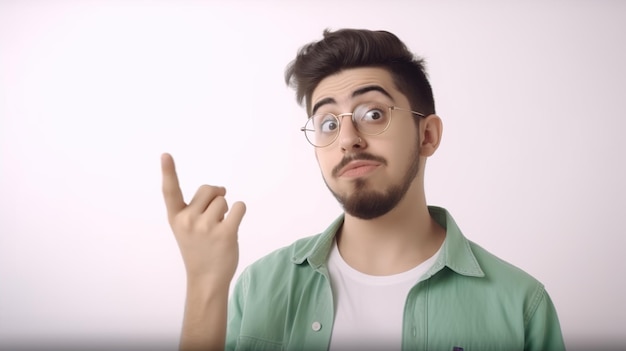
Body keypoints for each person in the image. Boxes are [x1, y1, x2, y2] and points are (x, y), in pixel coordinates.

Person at [161, 28, 565, 351]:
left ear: (427, 135)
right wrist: (205, 283)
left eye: (372, 113)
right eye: (329, 123)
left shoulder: (520, 306)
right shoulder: (259, 286)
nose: (347, 139)